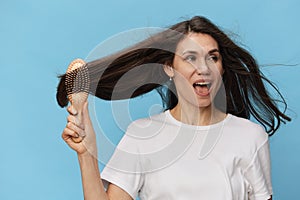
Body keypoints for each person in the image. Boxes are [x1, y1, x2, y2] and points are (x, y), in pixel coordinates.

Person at [57, 16, 291, 200]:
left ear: (222, 68)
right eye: (190, 58)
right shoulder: (141, 135)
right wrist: (86, 153)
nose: (204, 68)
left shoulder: (250, 136)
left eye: (213, 57)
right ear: (169, 67)